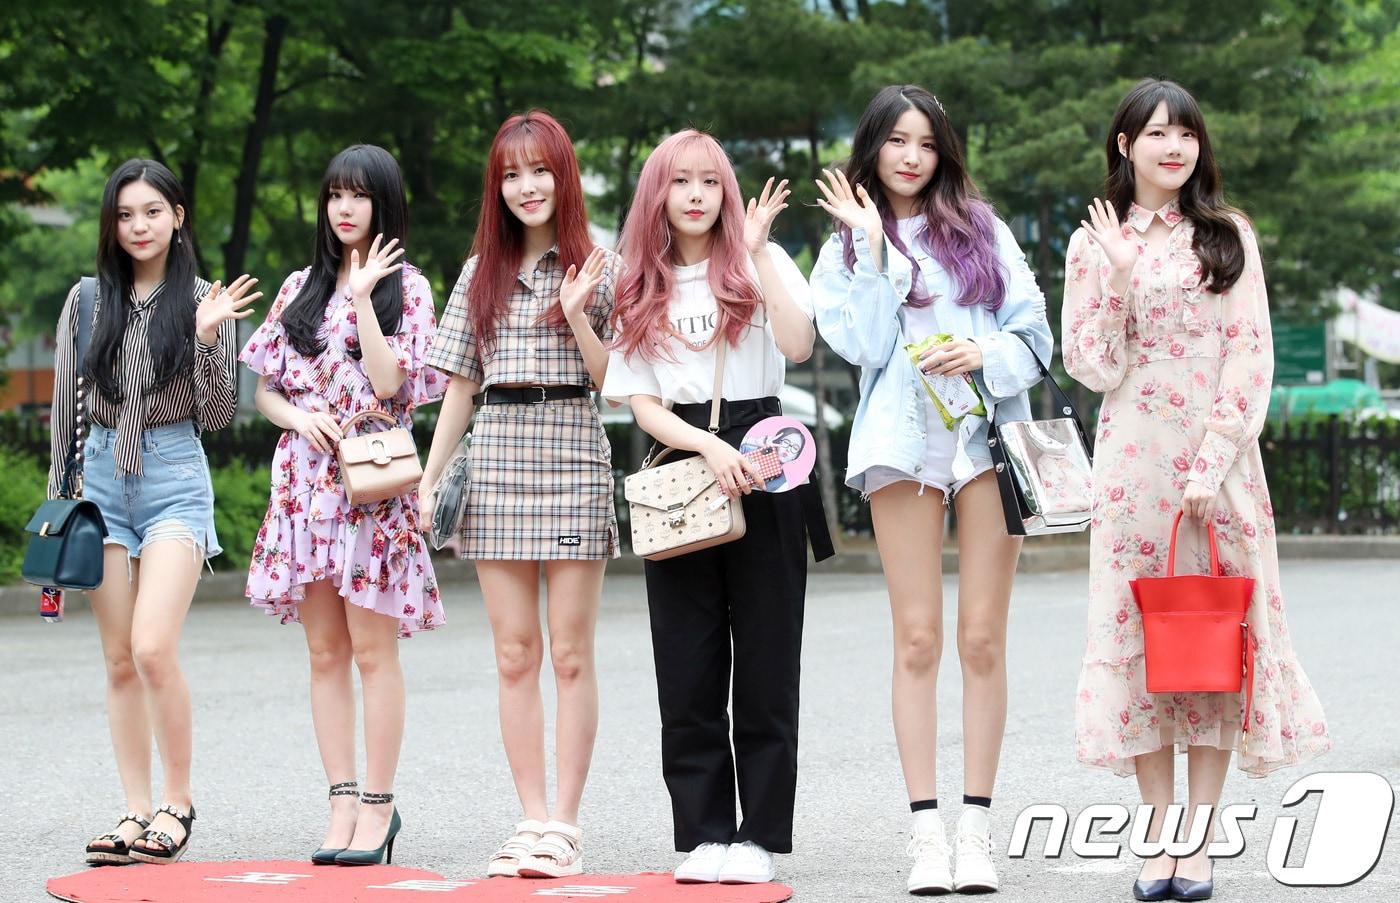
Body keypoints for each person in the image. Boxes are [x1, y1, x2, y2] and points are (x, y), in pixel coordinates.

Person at [1062, 78, 1331, 902]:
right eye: (1156, 133)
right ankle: (1158, 840)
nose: (1174, 146)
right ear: (1125, 145)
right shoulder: (1092, 242)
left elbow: (1251, 354)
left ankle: (1200, 842)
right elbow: (1092, 365)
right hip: (1132, 475)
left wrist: (1211, 463)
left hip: (1220, 474)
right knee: (1147, 647)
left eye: (1185, 133)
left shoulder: (1228, 235)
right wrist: (1118, 275)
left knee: (1214, 644)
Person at [809, 84, 1052, 895]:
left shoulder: (981, 227)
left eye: (925, 142)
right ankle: (926, 836)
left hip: (985, 444)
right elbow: (866, 346)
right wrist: (874, 248)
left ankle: (976, 831)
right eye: (896, 141)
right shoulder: (845, 246)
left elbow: (1035, 334)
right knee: (916, 638)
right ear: (872, 147)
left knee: (981, 638)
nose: (911, 156)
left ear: (943, 151)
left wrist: (984, 354)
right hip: (902, 446)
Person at [602, 128, 831, 886]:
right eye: (680, 181)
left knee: (768, 657)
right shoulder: (640, 280)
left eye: (709, 180)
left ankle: (759, 833)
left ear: (726, 190)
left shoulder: (763, 261)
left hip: (766, 453)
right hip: (680, 464)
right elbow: (640, 401)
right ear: (657, 193)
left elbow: (798, 345)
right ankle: (703, 832)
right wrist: (705, 447)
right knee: (687, 659)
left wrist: (759, 253)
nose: (696, 195)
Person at [418, 110, 618, 879]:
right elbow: (459, 387)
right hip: (497, 454)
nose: (526, 186)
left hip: (573, 449)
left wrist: (579, 313)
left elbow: (616, 384)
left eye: (539, 171)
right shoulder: (481, 271)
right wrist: (430, 477)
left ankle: (566, 823)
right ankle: (530, 816)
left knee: (568, 652)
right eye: (511, 174)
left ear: (562, 176)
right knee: (512, 653)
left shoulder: (603, 263)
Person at [240, 144, 445, 866]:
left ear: (384, 204)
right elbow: (264, 389)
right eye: (335, 195)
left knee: (371, 652)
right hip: (304, 487)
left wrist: (362, 298)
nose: (345, 207)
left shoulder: (408, 288)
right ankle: (340, 801)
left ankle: (379, 806)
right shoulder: (298, 286)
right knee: (324, 652)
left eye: (359, 195)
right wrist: (298, 418)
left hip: (373, 491)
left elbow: (392, 386)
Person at [51, 159, 256, 866]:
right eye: (125, 214)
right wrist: (61, 509)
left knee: (150, 648)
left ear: (178, 217)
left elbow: (219, 415)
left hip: (173, 477)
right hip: (101, 482)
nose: (138, 226)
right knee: (117, 659)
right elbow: (67, 411)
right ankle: (135, 809)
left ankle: (177, 800)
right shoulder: (87, 300)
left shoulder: (205, 299)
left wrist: (206, 339)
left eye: (152, 211)